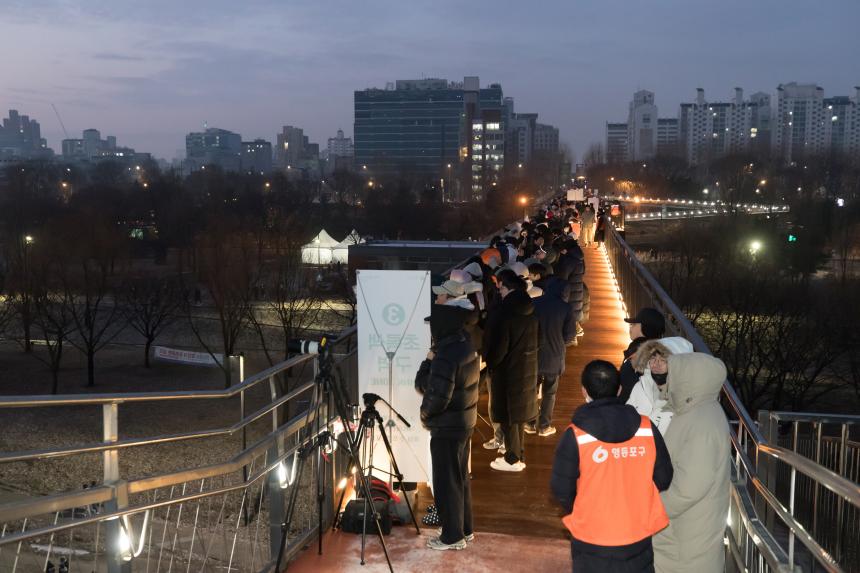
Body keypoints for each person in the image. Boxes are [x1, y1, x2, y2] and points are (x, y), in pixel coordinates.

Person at [551, 360, 673, 572]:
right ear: (619, 390)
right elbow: (664, 477)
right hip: (638, 534)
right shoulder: (646, 428)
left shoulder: (575, 435)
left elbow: (561, 489)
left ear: (583, 391)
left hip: (591, 538)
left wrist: (583, 506)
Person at [415, 287, 481, 551]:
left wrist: (425, 414)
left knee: (446, 482)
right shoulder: (465, 344)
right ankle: (464, 529)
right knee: (460, 478)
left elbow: (431, 390)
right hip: (464, 420)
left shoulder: (445, 354)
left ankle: (452, 536)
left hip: (447, 425)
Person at [653, 353, 730, 573]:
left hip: (686, 538)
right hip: (686, 531)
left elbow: (690, 488)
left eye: (674, 371)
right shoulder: (693, 412)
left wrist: (652, 507)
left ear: (690, 379)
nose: (669, 376)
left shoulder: (702, 423)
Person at [483, 269, 538, 472]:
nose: (500, 293)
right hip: (525, 367)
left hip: (508, 372)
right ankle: (518, 453)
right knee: (518, 417)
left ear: (507, 289)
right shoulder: (529, 309)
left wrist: (491, 362)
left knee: (508, 417)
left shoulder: (506, 315)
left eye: (501, 289)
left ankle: (513, 459)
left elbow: (499, 350)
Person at [525, 264, 575, 436]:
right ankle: (544, 425)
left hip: (534, 353)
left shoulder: (535, 302)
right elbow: (569, 336)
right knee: (550, 391)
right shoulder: (566, 308)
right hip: (554, 355)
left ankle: (530, 423)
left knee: (532, 388)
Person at [627, 338, 694, 435]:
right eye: (653, 358)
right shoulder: (641, 386)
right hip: (639, 447)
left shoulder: (686, 397)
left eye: (663, 360)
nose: (656, 364)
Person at [620, 308, 665, 402]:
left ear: (645, 328)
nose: (630, 327)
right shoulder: (661, 352)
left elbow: (627, 390)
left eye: (633, 324)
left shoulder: (638, 356)